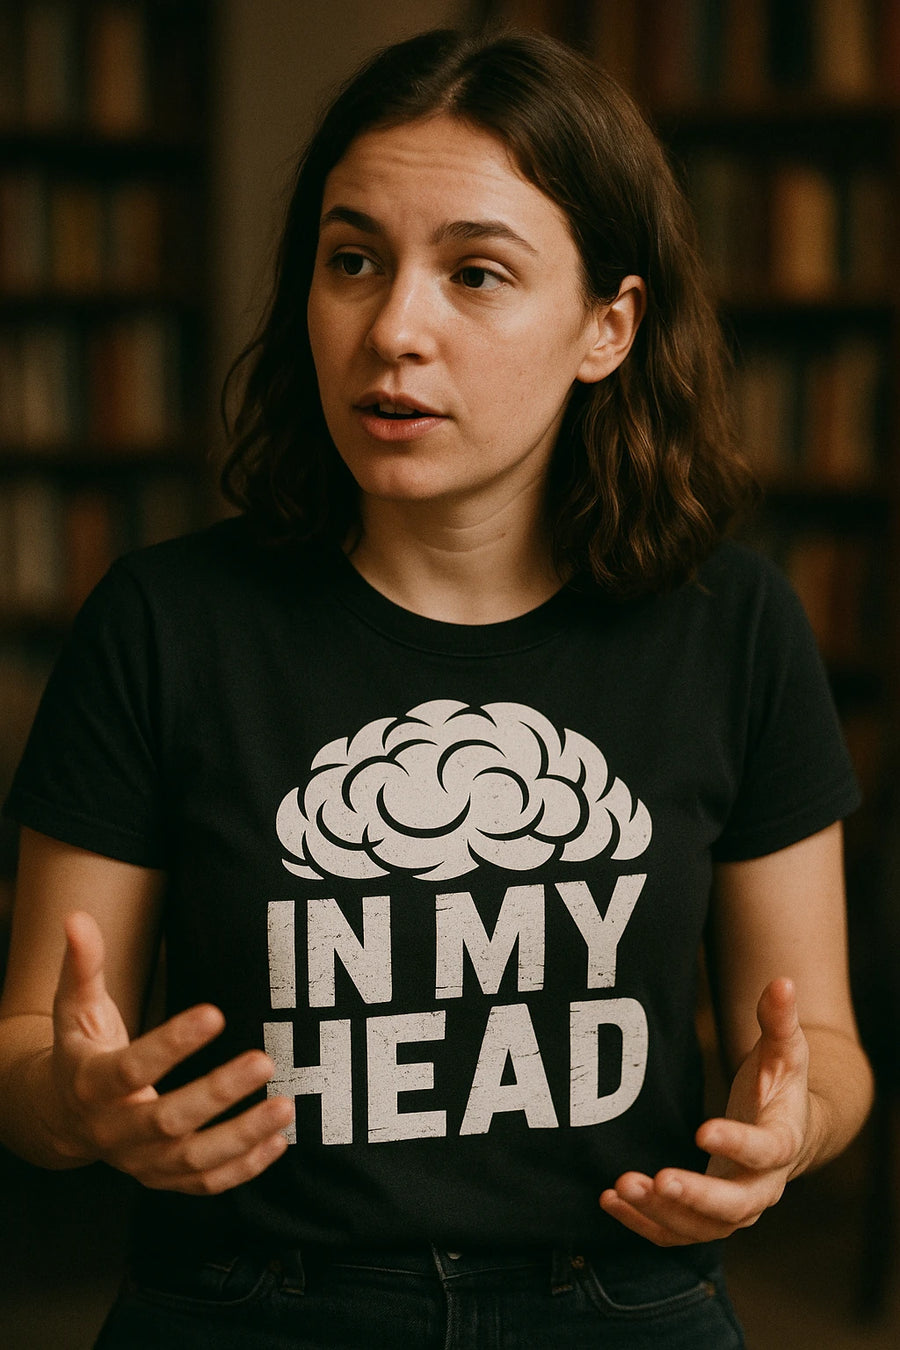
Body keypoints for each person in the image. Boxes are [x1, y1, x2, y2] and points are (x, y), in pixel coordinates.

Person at [0, 25, 873, 1350]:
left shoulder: (734, 627)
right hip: (244, 1300)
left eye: (476, 273)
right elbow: (26, 1051)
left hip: (620, 1295)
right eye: (353, 261)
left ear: (606, 326)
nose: (393, 329)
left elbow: (837, 1060)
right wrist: (80, 1102)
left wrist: (787, 1131)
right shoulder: (164, 622)